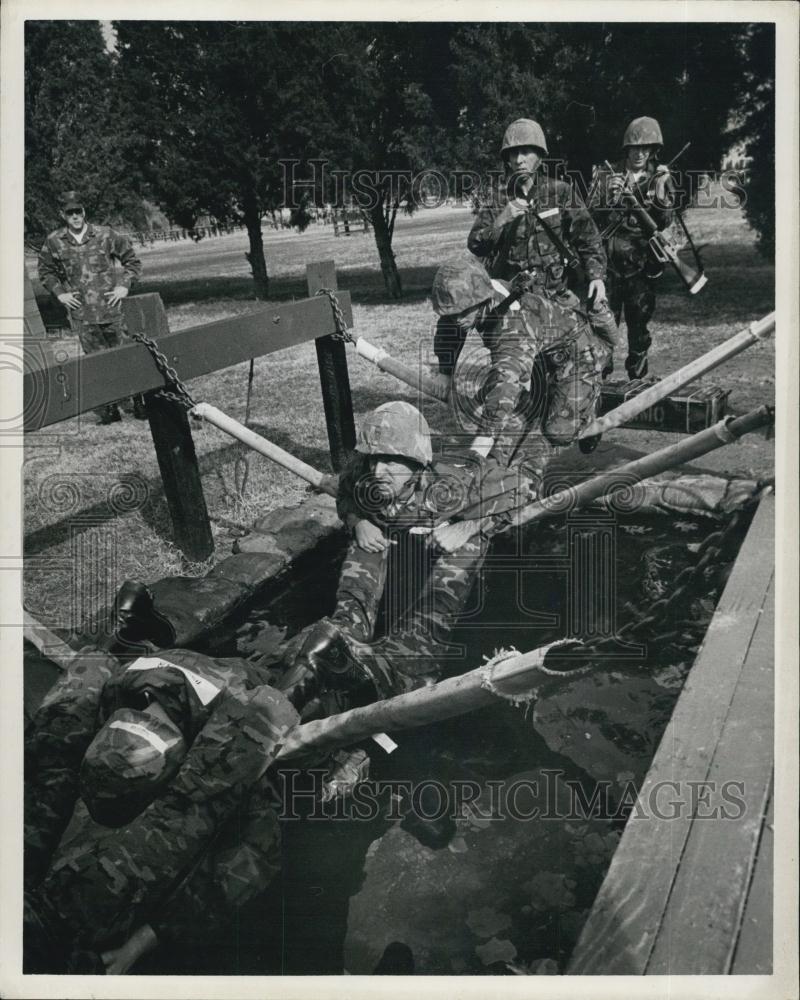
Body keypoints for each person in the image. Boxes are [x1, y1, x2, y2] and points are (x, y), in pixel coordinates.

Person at [23, 592, 300, 974]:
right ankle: (146, 631)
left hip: (211, 685)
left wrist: (143, 941)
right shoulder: (116, 695)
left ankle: (301, 677)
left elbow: (251, 857)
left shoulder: (224, 732)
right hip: (158, 671)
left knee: (273, 686)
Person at [275, 401, 531, 704]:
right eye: (374, 459)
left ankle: (414, 651)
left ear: (417, 464)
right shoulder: (363, 472)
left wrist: (464, 528)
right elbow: (345, 491)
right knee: (364, 544)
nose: (378, 470)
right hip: (391, 529)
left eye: (391, 462)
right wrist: (358, 522)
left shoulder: (452, 480)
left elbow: (524, 487)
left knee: (466, 550)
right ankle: (347, 630)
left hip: (449, 529)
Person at [37, 190, 145, 424]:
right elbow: (45, 272)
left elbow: (132, 262)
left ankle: (139, 402)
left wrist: (124, 286)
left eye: (78, 211)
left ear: (84, 212)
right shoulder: (54, 241)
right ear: (62, 215)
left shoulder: (105, 235)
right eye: (70, 212)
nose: (75, 216)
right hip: (83, 314)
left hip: (112, 310)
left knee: (127, 355)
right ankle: (110, 408)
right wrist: (61, 294)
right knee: (97, 362)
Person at [587, 116, 676, 379]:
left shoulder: (659, 177)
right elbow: (588, 218)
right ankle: (598, 387)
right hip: (608, 267)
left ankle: (637, 384)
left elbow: (665, 221)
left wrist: (660, 195)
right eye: (635, 148)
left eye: (646, 149)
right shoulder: (605, 175)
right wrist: (607, 197)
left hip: (640, 267)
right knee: (603, 326)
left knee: (639, 330)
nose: (640, 154)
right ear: (626, 149)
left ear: (653, 151)